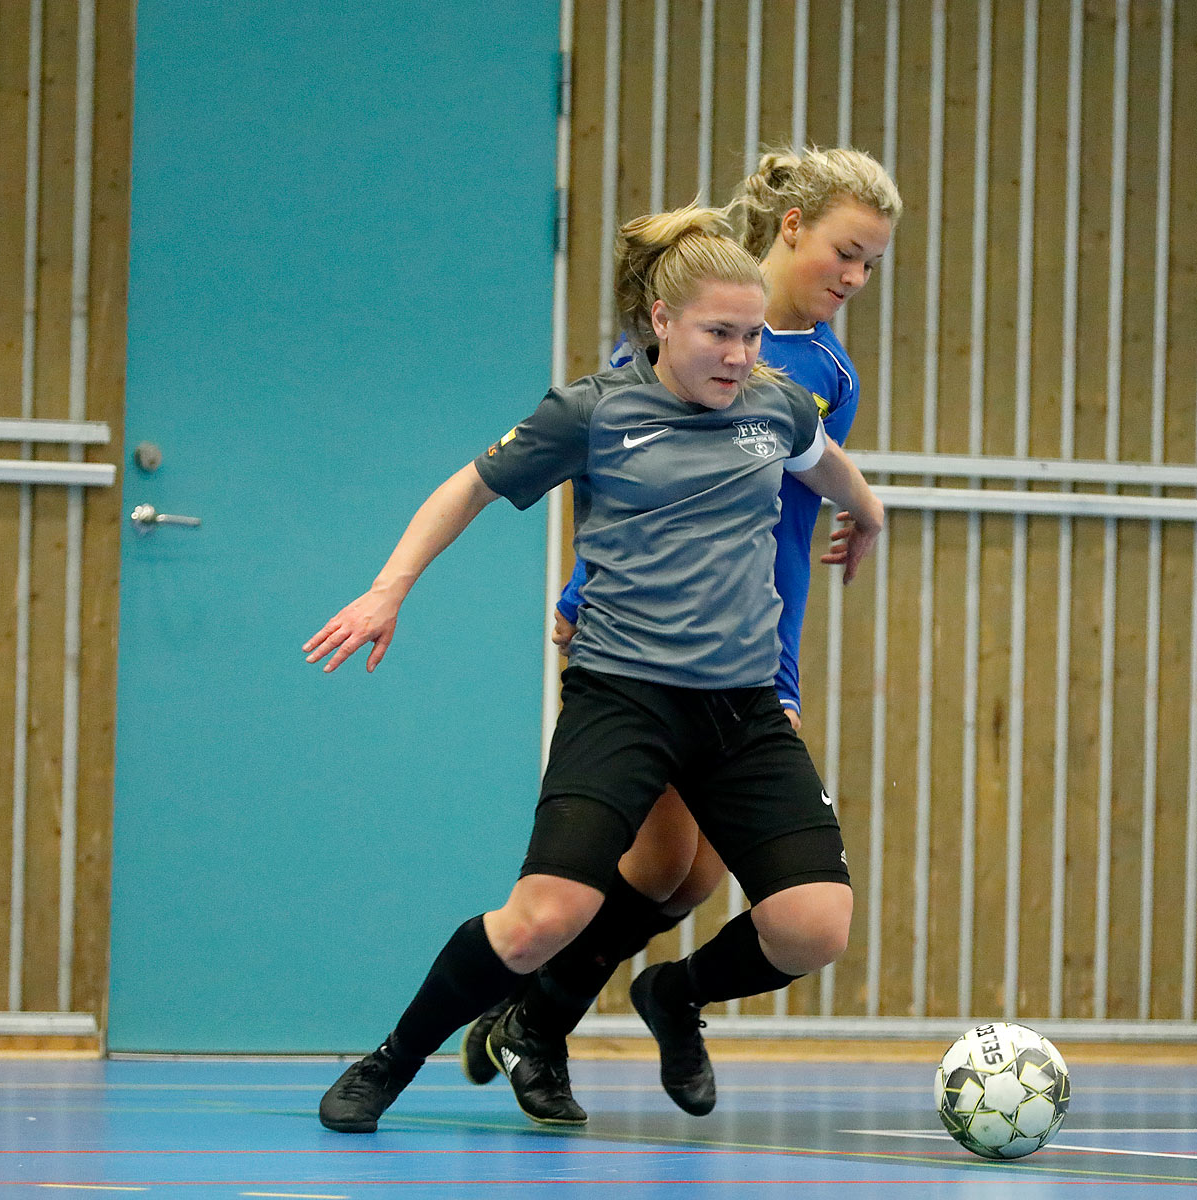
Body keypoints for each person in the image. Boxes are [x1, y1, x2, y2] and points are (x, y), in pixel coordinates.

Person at [307, 201, 885, 1135]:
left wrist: (870, 514)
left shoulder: (775, 404)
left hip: (740, 708)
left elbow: (830, 467)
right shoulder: (594, 411)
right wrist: (389, 588)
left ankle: (674, 993)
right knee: (544, 917)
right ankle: (393, 1059)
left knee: (813, 926)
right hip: (624, 698)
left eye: (749, 335)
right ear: (661, 322)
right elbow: (468, 487)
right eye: (718, 335)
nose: (739, 356)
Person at [460, 147, 901, 1124]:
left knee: (687, 874)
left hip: (754, 648)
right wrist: (581, 586)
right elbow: (619, 474)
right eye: (846, 252)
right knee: (661, 865)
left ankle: (568, 1009)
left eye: (871, 265)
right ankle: (536, 1017)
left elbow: (801, 501)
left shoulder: (828, 372)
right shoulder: (688, 328)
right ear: (790, 228)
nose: (854, 279)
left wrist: (864, 514)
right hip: (647, 646)